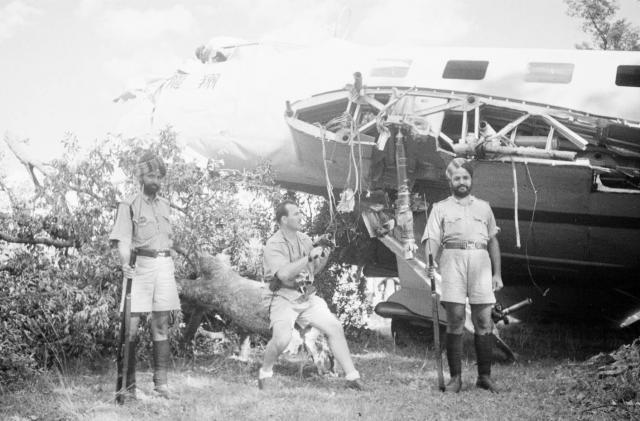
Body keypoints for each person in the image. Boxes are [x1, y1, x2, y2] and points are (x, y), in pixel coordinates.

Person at [258, 200, 364, 391]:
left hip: (304, 295)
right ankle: (265, 374)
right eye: (296, 214)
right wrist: (308, 257)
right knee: (282, 337)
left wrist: (324, 254)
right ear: (284, 219)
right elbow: (283, 275)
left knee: (334, 326)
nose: (301, 217)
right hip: (281, 295)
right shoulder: (273, 244)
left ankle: (352, 377)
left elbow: (315, 269)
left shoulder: (305, 239)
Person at [423, 158, 503, 393]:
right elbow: (432, 239)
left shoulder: (484, 207)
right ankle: (455, 378)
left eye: (465, 177)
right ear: (451, 181)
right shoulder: (440, 207)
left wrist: (497, 274)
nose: (461, 181)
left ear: (471, 180)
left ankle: (484, 377)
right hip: (452, 261)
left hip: (480, 261)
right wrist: (430, 262)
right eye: (457, 178)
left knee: (483, 321)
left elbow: (492, 241)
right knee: (456, 319)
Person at [109, 151, 181, 400]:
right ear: (140, 176)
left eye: (160, 176)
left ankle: (161, 384)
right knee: (131, 328)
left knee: (161, 326)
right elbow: (123, 240)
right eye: (151, 175)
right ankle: (128, 387)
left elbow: (167, 238)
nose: (156, 180)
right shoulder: (128, 204)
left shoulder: (165, 204)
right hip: (139, 266)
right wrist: (124, 263)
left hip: (164, 266)